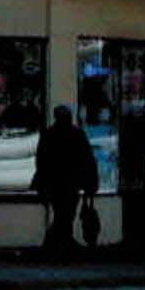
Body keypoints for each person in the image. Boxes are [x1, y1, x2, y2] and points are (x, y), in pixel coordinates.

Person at [32, 104, 97, 252]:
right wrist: (90, 182)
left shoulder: (49, 134)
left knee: (62, 213)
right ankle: (59, 242)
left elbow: (41, 161)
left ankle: (59, 242)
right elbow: (87, 160)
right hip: (70, 183)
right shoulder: (77, 134)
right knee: (66, 213)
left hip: (55, 183)